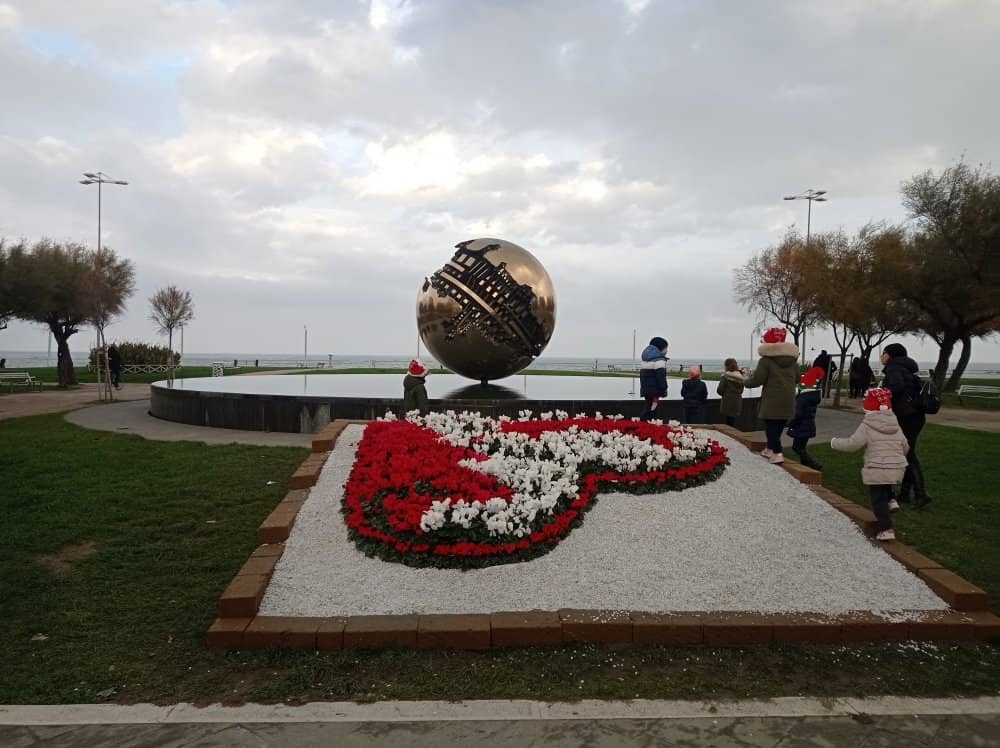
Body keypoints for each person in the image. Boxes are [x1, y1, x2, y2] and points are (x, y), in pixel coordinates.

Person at [830, 388, 910, 541]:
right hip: (897, 466)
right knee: (886, 480)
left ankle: (887, 529)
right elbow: (905, 446)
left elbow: (853, 444)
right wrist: (897, 457)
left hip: (876, 467)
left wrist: (834, 443)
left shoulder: (867, 425)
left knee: (877, 499)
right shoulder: (895, 424)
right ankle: (891, 500)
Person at [881, 342, 931, 508]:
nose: (882, 356)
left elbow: (896, 387)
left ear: (891, 355)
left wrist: (880, 394)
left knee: (908, 455)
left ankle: (921, 494)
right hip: (915, 416)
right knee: (907, 453)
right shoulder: (905, 368)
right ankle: (905, 494)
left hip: (906, 417)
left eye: (884, 353)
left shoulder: (894, 368)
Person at [743, 327, 799, 465]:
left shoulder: (766, 361)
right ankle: (769, 448)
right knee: (779, 425)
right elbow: (797, 378)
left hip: (772, 398)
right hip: (788, 398)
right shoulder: (793, 361)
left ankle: (778, 453)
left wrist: (745, 381)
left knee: (771, 426)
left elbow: (758, 380)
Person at [786, 366, 825, 470]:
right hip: (808, 426)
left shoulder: (803, 399)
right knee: (801, 448)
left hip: (802, 426)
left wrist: (789, 423)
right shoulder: (812, 397)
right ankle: (805, 467)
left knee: (797, 448)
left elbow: (798, 414)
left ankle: (814, 465)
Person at [638, 336, 669, 422]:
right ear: (661, 348)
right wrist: (664, 388)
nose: (667, 351)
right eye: (666, 348)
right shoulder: (659, 361)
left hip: (646, 390)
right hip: (655, 392)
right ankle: (646, 426)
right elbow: (661, 377)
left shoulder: (645, 359)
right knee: (652, 410)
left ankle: (645, 425)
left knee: (648, 407)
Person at [716, 358, 745, 427]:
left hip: (727, 403)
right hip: (737, 402)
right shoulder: (741, 377)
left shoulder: (725, 377)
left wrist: (726, 394)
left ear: (726, 366)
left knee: (728, 423)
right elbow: (741, 391)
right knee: (733, 422)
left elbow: (720, 390)